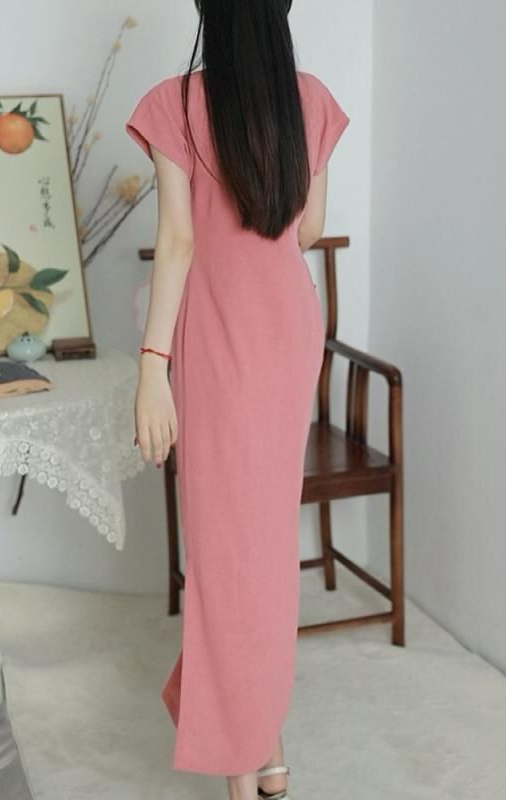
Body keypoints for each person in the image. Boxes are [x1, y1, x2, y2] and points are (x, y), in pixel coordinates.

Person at [125, 1, 349, 797]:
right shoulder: (311, 99)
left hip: (220, 339)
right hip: (288, 333)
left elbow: (178, 241)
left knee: (224, 553)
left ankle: (242, 758)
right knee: (261, 546)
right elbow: (308, 228)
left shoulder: (176, 102)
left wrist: (151, 366)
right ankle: (263, 733)